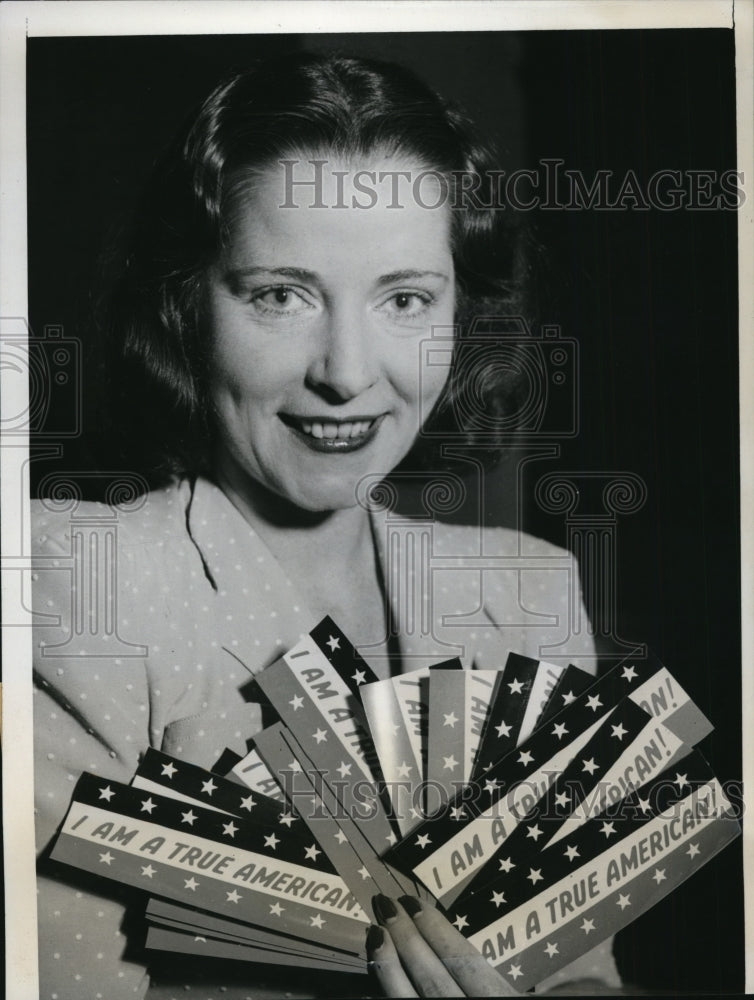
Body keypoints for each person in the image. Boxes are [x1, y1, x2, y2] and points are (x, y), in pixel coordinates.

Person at [32, 52, 621, 999]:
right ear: (188, 304)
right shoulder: (71, 586)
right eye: (280, 294)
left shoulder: (529, 593)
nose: (346, 372)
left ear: (463, 313)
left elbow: (579, 976)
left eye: (405, 299)